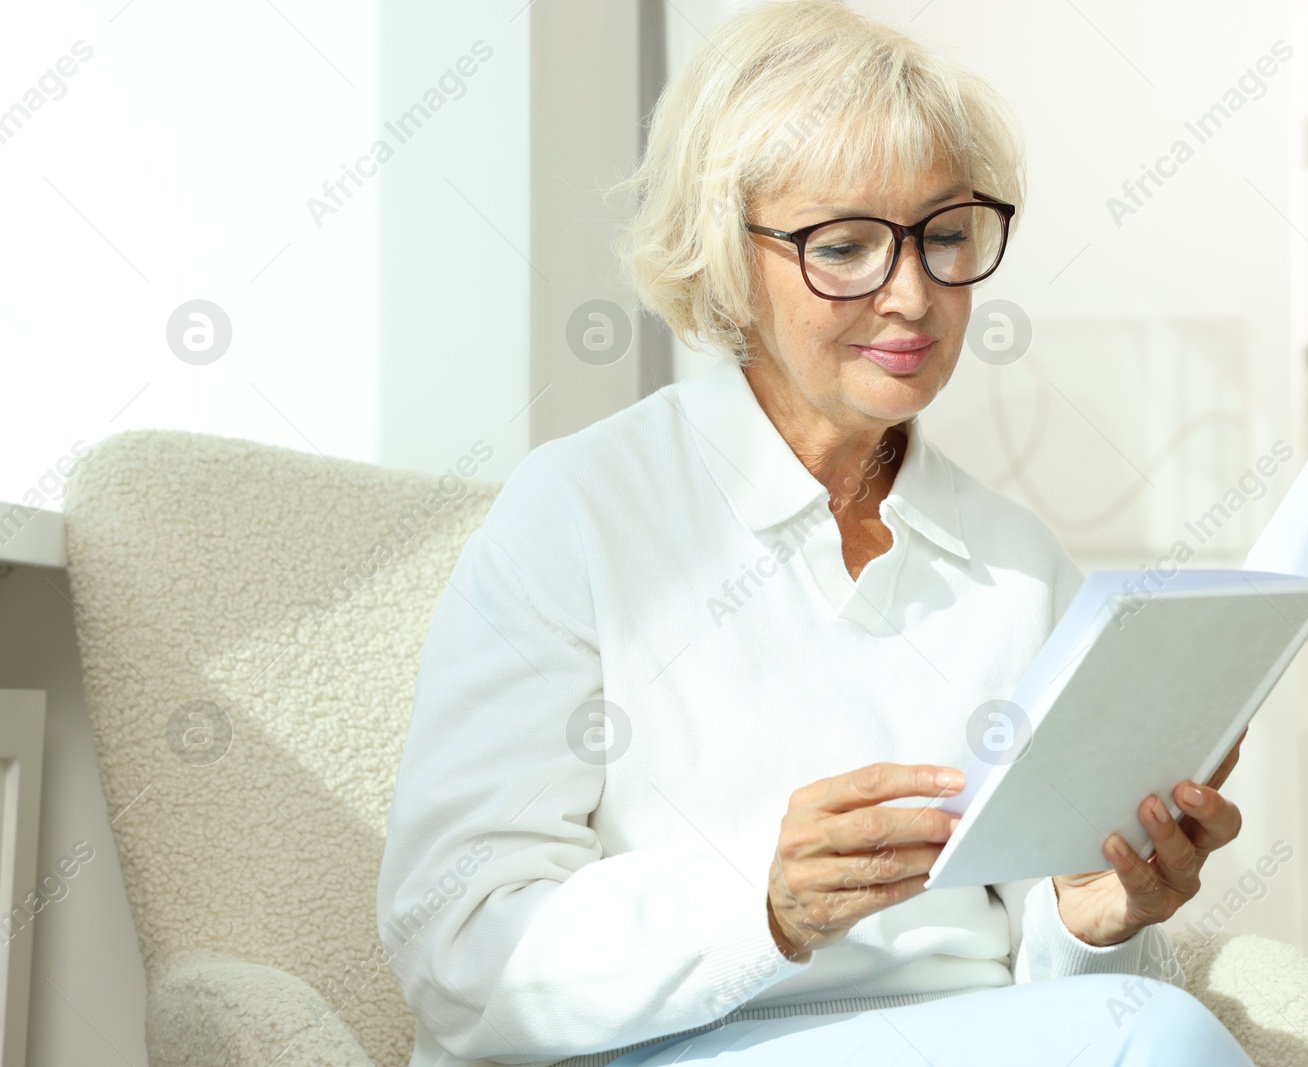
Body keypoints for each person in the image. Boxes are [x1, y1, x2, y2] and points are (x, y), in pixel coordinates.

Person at [377, 2, 1255, 1064]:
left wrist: (1092, 916)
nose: (912, 294)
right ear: (724, 258)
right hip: (659, 1046)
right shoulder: (574, 514)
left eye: (944, 235)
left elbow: (1050, 990)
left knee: (1151, 1028)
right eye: (842, 246)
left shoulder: (1018, 564)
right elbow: (455, 945)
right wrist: (765, 903)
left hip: (959, 1040)